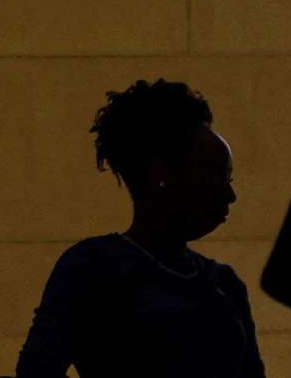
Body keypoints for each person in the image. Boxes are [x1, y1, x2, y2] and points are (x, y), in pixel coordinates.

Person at [16, 79, 265, 378]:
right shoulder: (93, 268)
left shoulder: (225, 283)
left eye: (229, 179)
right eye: (215, 175)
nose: (230, 194)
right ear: (161, 173)